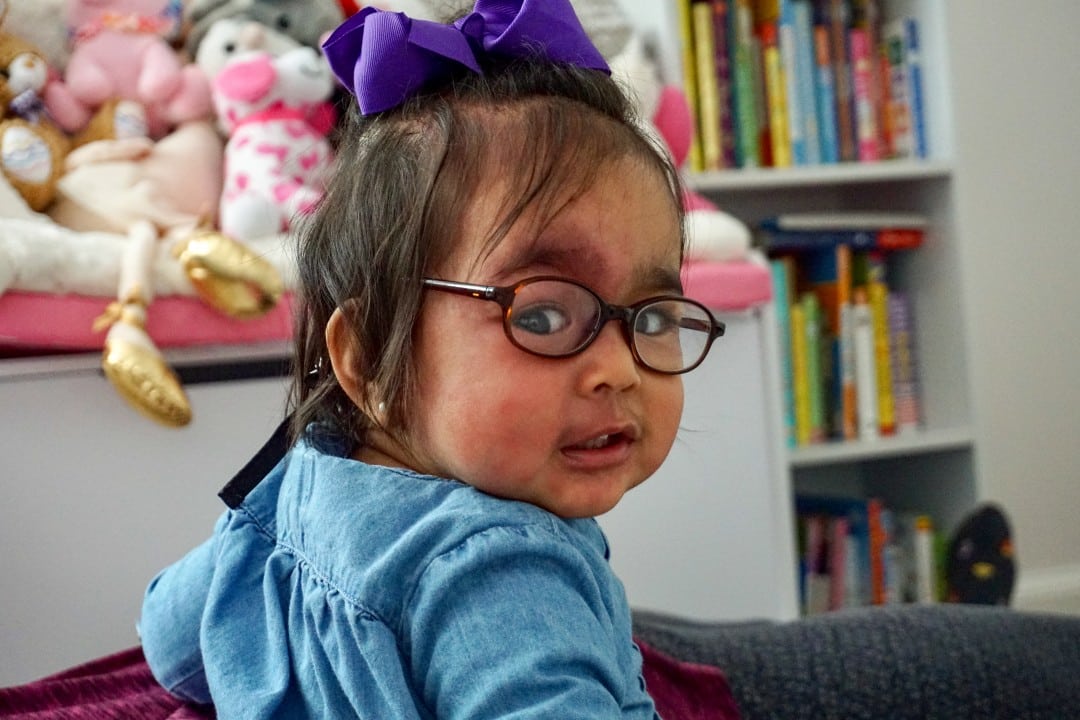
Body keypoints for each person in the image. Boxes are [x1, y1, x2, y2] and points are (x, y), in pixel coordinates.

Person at [138, 1, 727, 717]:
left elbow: (172, 643)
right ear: (366, 361)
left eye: (654, 315)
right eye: (542, 314)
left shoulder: (300, 478)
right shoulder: (504, 571)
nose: (620, 369)